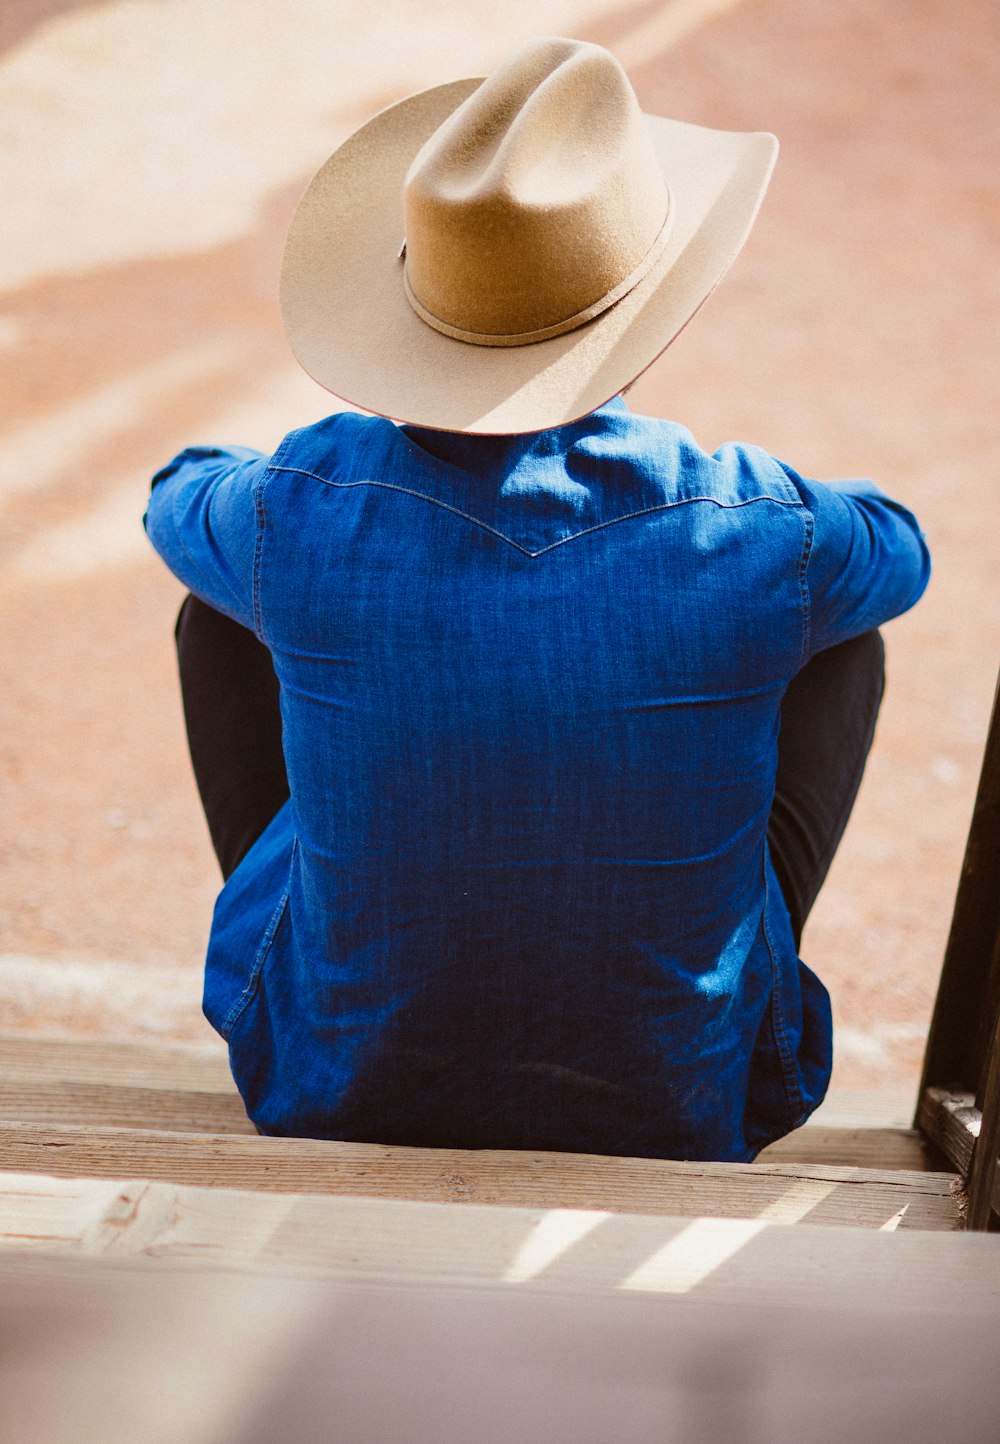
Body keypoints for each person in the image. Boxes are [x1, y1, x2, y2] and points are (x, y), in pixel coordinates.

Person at [144, 37, 930, 1162]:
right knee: (838, 643)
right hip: (679, 1097)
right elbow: (899, 547)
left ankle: (365, 982)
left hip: (328, 1081)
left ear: (413, 305)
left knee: (223, 611)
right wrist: (776, 506)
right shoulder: (753, 524)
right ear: (643, 307)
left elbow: (176, 493)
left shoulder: (298, 507)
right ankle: (692, 1004)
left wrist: (279, 478)